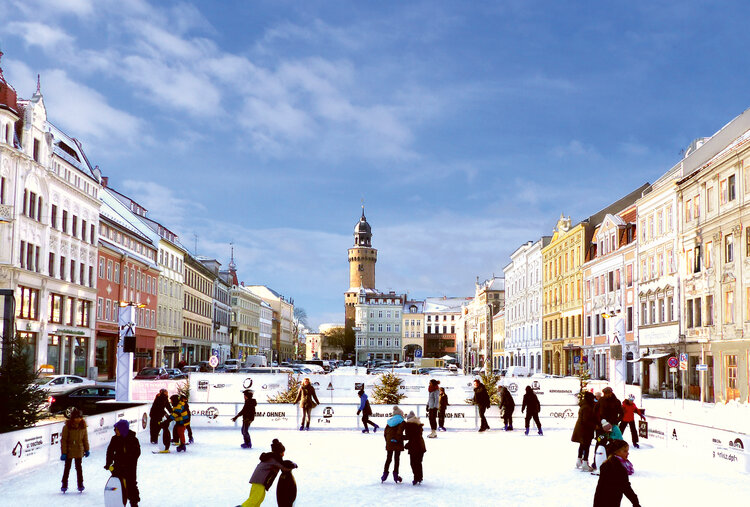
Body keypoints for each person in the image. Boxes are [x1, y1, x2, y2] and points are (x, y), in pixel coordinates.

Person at [239, 439, 296, 507]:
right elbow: (284, 467)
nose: (283, 454)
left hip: (258, 480)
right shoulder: (274, 459)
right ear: (278, 452)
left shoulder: (271, 457)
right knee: (254, 499)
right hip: (259, 481)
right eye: (282, 452)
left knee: (259, 498)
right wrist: (294, 465)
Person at [593, 440, 641, 507]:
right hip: (610, 501)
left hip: (600, 501)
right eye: (625, 451)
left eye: (627, 451)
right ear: (616, 452)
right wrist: (635, 502)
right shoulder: (618, 468)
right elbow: (626, 487)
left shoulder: (607, 464)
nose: (628, 453)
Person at [105, 419, 141, 507]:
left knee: (131, 485)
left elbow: (136, 453)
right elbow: (110, 451)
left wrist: (126, 461)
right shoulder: (114, 439)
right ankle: (118, 503)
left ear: (122, 429)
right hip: (117, 467)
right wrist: (108, 463)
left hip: (130, 468)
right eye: (115, 430)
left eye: (117, 430)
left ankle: (134, 503)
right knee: (118, 485)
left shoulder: (132, 439)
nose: (115, 431)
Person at [60, 408, 89, 493]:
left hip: (79, 450)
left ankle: (80, 484)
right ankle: (64, 484)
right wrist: (64, 453)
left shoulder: (83, 427)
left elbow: (85, 439)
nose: (78, 419)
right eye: (76, 418)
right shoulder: (67, 427)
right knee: (67, 468)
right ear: (72, 418)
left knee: (79, 468)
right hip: (69, 450)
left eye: (80, 417)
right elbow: (64, 440)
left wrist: (87, 449)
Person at [571, 391, 598, 472]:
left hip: (581, 428)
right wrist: (595, 426)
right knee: (586, 446)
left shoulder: (584, 405)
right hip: (585, 429)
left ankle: (579, 461)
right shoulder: (587, 407)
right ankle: (585, 463)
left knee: (582, 445)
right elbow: (586, 420)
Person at [382, 406, 406, 483]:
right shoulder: (402, 422)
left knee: (388, 458)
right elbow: (399, 432)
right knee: (396, 458)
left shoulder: (389, 422)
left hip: (389, 442)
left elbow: (385, 433)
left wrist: (388, 441)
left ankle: (384, 475)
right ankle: (395, 475)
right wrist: (398, 439)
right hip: (397, 442)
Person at [403, 410, 426, 485]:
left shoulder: (409, 426)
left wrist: (400, 438)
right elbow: (414, 437)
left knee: (413, 463)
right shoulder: (418, 425)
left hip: (414, 447)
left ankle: (416, 478)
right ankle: (419, 477)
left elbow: (409, 437)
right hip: (421, 446)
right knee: (418, 463)